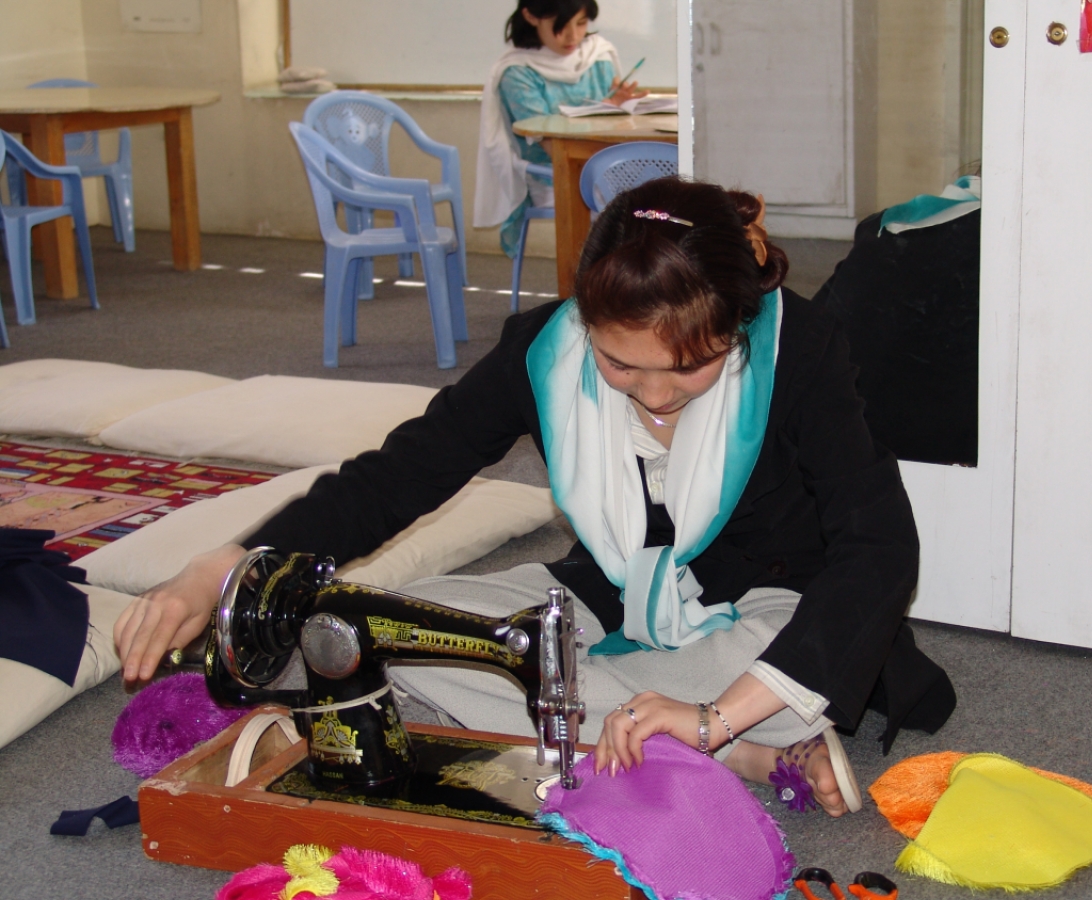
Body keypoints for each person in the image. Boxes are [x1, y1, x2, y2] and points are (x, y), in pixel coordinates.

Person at [115, 177, 954, 818]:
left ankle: (707, 729)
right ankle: (726, 744)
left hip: (774, 603)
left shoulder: (799, 350)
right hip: (612, 595)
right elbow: (400, 474)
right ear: (586, 321)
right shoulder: (542, 353)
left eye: (690, 369)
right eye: (621, 367)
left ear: (738, 329)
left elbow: (877, 548)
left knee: (801, 654)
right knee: (367, 624)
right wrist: (225, 567)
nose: (656, 397)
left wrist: (715, 714)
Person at [474, 0, 646, 258]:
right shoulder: (518, 70)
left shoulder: (597, 55)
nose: (574, 36)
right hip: (552, 174)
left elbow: (616, 126)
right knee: (632, 206)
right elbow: (550, 144)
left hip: (606, 165)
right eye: (561, 25)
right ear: (531, 16)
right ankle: (608, 284)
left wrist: (614, 106)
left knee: (660, 193)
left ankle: (636, 285)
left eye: (581, 23)